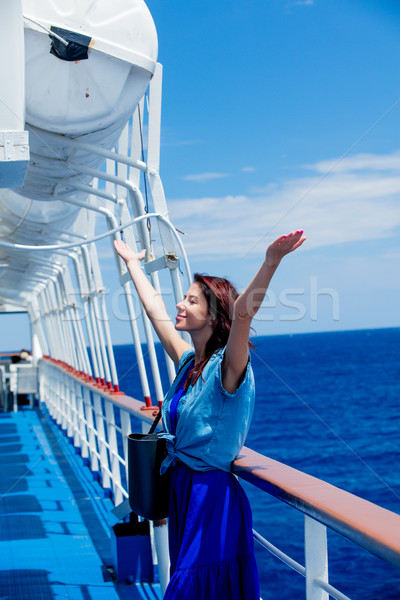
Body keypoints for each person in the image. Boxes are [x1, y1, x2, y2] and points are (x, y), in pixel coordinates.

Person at [114, 229, 306, 599]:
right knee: (190, 583)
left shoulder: (228, 368)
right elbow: (155, 310)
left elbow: (243, 313)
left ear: (214, 315)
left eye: (191, 301)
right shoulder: (189, 362)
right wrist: (133, 265)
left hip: (211, 496)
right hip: (182, 489)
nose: (179, 306)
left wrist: (271, 261)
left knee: (190, 587)